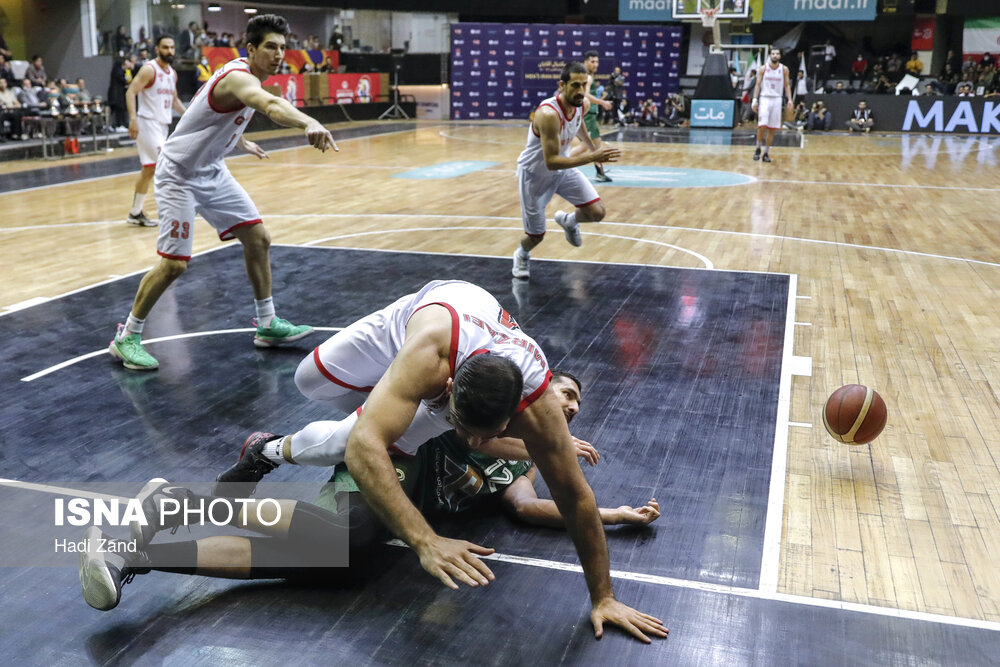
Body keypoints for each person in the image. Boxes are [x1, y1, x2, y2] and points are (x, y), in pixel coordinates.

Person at [213, 279, 668, 642]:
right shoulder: (429, 361)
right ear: (446, 391)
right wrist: (426, 541)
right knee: (309, 381)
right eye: (461, 427)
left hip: (441, 377)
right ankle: (252, 461)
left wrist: (604, 596)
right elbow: (362, 448)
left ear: (517, 417)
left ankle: (190, 511)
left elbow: (575, 496)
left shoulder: (543, 416)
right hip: (424, 320)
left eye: (488, 435)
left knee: (349, 542)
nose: (472, 441)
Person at [77, 372, 661, 618]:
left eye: (579, 403)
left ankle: (146, 545)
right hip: (379, 468)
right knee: (344, 539)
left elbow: (527, 505)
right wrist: (543, 448)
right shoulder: (492, 407)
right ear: (538, 389)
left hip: (392, 512)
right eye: (566, 391)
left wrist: (612, 514)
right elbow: (486, 443)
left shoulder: (526, 454)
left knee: (339, 564)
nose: (573, 404)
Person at [108, 14, 338, 372]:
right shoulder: (239, 78)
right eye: (270, 47)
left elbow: (207, 116)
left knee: (258, 238)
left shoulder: (244, 76)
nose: (279, 54)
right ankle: (127, 337)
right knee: (173, 265)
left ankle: (268, 323)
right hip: (179, 175)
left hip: (212, 171)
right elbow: (270, 106)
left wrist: (238, 140)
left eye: (283, 47)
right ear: (251, 49)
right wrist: (309, 121)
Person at [510, 62, 620, 280]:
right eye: (575, 85)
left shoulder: (582, 104)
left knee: (597, 212)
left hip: (563, 168)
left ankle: (570, 221)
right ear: (562, 85)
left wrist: (592, 145)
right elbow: (551, 162)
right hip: (535, 175)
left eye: (583, 85)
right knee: (536, 236)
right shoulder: (548, 114)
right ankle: (521, 254)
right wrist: (592, 156)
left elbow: (579, 124)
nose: (580, 91)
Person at [124, 35, 186, 227]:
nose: (170, 51)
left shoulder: (172, 73)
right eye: (166, 47)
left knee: (149, 170)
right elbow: (130, 91)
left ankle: (135, 213)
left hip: (162, 125)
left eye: (172, 47)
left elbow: (174, 100)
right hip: (147, 123)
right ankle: (173, 213)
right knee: (168, 167)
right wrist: (133, 119)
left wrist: (190, 116)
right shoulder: (149, 69)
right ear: (157, 49)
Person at [751, 47, 792, 163]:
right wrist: (755, 99)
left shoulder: (784, 69)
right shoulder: (763, 69)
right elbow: (758, 85)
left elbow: (787, 85)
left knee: (772, 129)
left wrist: (789, 99)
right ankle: (758, 148)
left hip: (777, 99)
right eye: (773, 53)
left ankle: (766, 153)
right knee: (762, 126)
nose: (775, 55)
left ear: (780, 56)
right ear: (769, 55)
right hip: (765, 98)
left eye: (777, 54)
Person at [582, 51, 613, 182]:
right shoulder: (588, 77)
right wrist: (603, 102)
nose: (596, 64)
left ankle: (600, 172)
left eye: (597, 61)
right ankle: (557, 166)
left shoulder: (587, 76)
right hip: (588, 115)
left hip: (590, 114)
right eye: (592, 62)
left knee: (595, 145)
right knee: (586, 146)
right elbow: (586, 95)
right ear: (586, 62)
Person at [107, 56, 134, 130]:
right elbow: (123, 79)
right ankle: (116, 126)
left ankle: (122, 125)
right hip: (116, 96)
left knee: (122, 110)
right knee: (117, 111)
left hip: (121, 95)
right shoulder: (117, 69)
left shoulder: (125, 71)